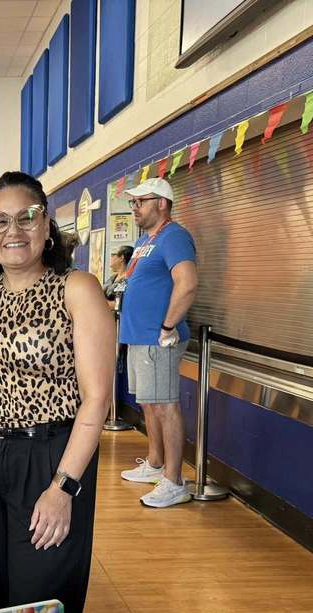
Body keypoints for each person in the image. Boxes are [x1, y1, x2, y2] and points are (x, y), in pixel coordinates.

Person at [0, 171, 114, 613]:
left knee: (41, 597)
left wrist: (63, 487)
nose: (14, 231)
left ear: (47, 227)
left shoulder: (76, 288)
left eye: (27, 218)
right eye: (0, 221)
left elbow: (97, 399)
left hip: (49, 455)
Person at [118, 177, 198, 508]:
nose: (134, 208)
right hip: (139, 337)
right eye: (133, 202)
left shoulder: (174, 236)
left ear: (161, 203)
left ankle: (174, 481)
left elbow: (188, 283)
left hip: (158, 338)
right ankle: (154, 464)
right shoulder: (144, 241)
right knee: (150, 403)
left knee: (166, 406)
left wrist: (167, 326)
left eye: (141, 201)